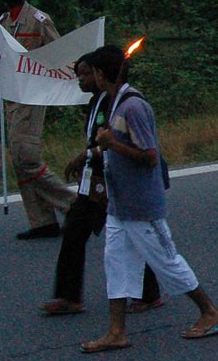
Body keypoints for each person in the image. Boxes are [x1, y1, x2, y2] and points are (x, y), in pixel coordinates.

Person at [78, 44, 218, 354]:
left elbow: (149, 157)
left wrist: (111, 145)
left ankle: (210, 312)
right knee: (115, 263)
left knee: (166, 261)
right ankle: (116, 331)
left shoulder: (133, 107)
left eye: (92, 71)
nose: (90, 77)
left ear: (102, 73)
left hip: (142, 205)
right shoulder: (113, 103)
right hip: (120, 205)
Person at [39, 56, 160, 317]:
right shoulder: (96, 102)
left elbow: (115, 140)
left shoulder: (118, 101)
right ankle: (69, 296)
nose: (80, 79)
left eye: (85, 74)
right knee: (74, 229)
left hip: (111, 178)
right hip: (93, 180)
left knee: (131, 234)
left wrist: (87, 155)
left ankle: (150, 292)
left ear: (100, 74)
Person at [0, 0, 75, 240]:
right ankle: (42, 221)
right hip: (13, 96)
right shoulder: (3, 21)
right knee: (19, 160)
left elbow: (59, 54)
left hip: (33, 94)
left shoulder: (39, 19)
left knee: (26, 156)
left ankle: (75, 206)